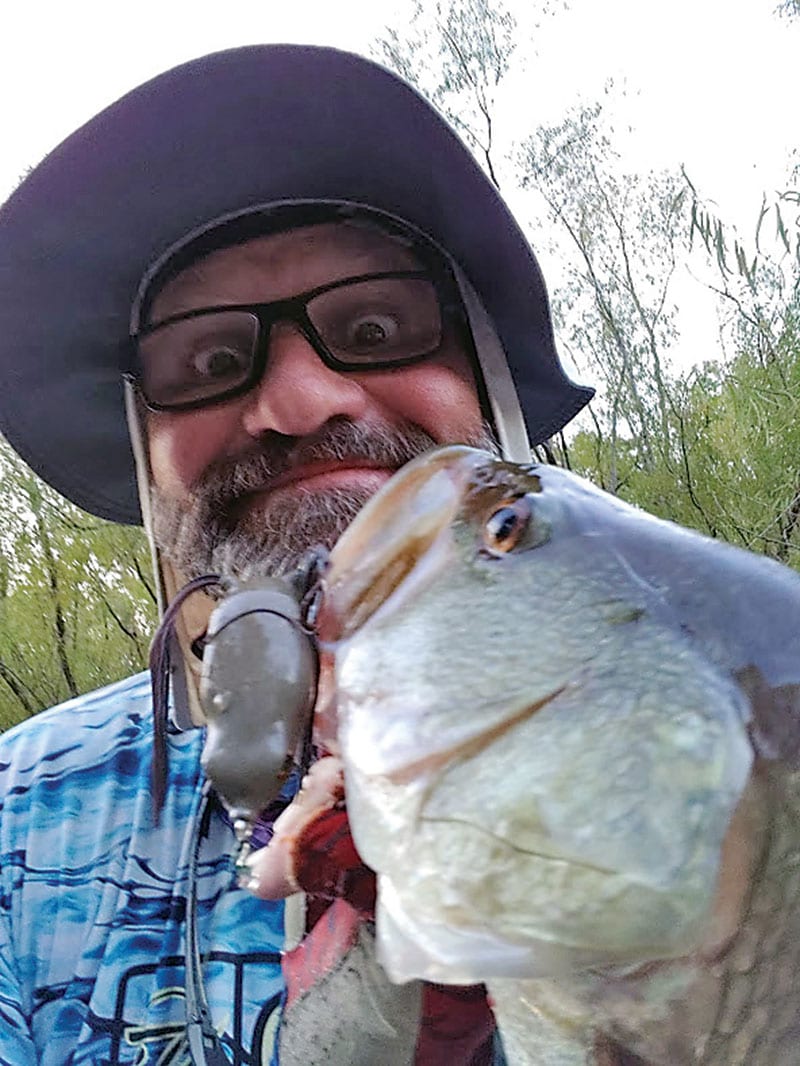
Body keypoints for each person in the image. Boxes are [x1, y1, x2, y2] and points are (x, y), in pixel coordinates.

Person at [0, 45, 593, 1065]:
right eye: (210, 361)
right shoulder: (17, 825)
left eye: (374, 325)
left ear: (489, 398)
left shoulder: (748, 719)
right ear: (149, 462)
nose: (298, 400)